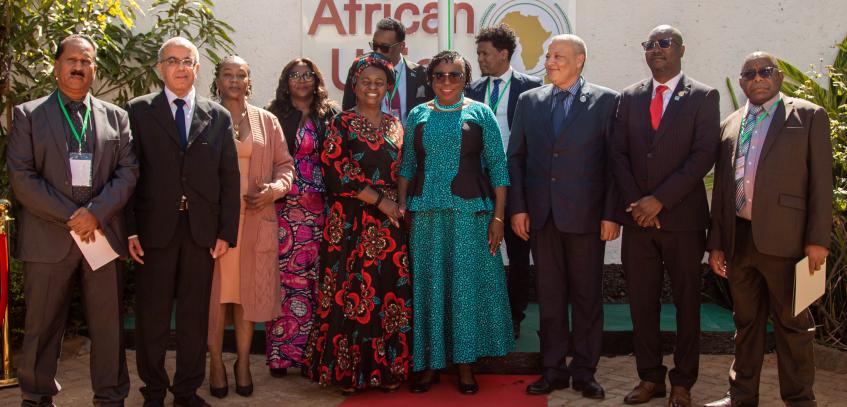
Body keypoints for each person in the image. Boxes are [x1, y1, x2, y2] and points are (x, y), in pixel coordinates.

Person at [8, 34, 138, 407]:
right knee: (42, 326)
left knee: (109, 326)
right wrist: (72, 215)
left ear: (95, 68)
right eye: (72, 60)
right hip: (48, 237)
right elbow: (22, 177)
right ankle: (35, 395)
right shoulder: (29, 115)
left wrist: (95, 213)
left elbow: (128, 172)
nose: (79, 67)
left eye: (87, 61)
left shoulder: (117, 117)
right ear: (57, 65)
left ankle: (111, 396)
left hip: (102, 235)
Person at [703, 52, 831, 407]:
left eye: (766, 71)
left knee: (793, 328)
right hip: (739, 241)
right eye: (750, 73)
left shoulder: (807, 116)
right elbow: (723, 192)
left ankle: (800, 400)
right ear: (741, 81)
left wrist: (817, 241)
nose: (758, 77)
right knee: (745, 324)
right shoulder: (730, 123)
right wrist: (716, 244)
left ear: (779, 78)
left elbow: (822, 181)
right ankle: (741, 396)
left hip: (789, 244)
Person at [126, 37, 240, 407]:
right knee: (152, 318)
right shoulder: (138, 111)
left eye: (187, 60)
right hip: (152, 232)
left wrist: (227, 232)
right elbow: (127, 175)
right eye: (172, 60)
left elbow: (229, 179)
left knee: (194, 317)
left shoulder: (217, 115)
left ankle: (187, 392)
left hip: (201, 233)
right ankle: (154, 392)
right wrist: (128, 229)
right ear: (160, 68)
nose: (180, 67)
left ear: (197, 68)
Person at [611, 25, 720, 407]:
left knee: (688, 303)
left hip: (683, 220)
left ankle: (683, 382)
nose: (656, 49)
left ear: (681, 49)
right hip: (637, 220)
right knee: (641, 303)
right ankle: (650, 377)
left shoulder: (704, 96)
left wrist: (659, 200)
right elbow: (618, 155)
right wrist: (638, 203)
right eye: (650, 44)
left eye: (664, 43)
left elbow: (703, 155)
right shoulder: (629, 97)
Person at [508, 34, 620, 399]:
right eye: (548, 55)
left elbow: (614, 165)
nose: (550, 61)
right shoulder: (529, 101)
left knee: (588, 297)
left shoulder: (607, 102)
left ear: (580, 60)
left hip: (587, 219)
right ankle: (553, 369)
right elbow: (517, 159)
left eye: (558, 56)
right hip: (542, 217)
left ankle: (585, 371)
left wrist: (610, 214)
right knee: (550, 296)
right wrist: (520, 207)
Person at [398, 50, 512, 395]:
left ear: (466, 79)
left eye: (455, 75)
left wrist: (499, 217)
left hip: (470, 215)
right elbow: (406, 168)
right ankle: (430, 365)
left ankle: (465, 366)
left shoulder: (481, 113)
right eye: (439, 75)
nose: (446, 81)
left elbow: (499, 167)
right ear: (430, 80)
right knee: (430, 288)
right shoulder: (417, 114)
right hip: (426, 215)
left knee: (464, 288)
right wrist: (402, 206)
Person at [303, 54, 411, 395]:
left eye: (380, 83)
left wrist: (400, 204)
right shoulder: (341, 123)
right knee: (351, 293)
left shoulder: (396, 125)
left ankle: (386, 370)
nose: (373, 88)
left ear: (389, 88)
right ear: (355, 85)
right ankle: (348, 373)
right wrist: (382, 201)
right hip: (350, 221)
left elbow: (404, 170)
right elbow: (336, 173)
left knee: (386, 293)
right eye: (367, 82)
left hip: (390, 224)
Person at [206, 55, 295, 399]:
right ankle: (215, 362)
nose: (234, 80)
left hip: (257, 222)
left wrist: (274, 190)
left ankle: (242, 362)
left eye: (240, 74)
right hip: (215, 227)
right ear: (217, 81)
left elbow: (285, 166)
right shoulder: (205, 117)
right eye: (227, 74)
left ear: (249, 81)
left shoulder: (267, 121)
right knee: (216, 299)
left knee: (246, 298)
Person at [465, 23, 542, 339]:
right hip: (479, 184)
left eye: (485, 53)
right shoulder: (472, 90)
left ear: (504, 53)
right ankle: (481, 314)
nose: (480, 59)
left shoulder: (533, 88)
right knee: (480, 251)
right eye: (478, 52)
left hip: (518, 184)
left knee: (519, 253)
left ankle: (514, 316)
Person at [264, 57, 339, 377]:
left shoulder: (330, 114)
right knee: (285, 282)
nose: (302, 79)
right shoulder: (273, 114)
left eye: (308, 74)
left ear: (316, 78)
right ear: (285, 80)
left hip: (322, 209)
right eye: (294, 74)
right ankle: (282, 356)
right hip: (286, 211)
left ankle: (313, 356)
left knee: (318, 283)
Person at [341, 17, 432, 124]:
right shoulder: (359, 68)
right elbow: (348, 108)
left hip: (408, 139)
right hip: (367, 138)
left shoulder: (421, 74)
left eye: (384, 47)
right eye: (375, 46)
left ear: (401, 46)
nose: (378, 52)